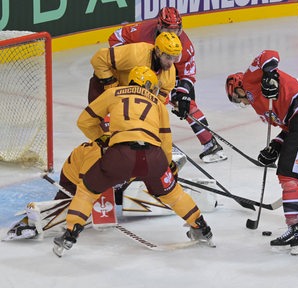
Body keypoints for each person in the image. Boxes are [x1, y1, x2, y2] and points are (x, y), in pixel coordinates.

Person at [53, 66, 214, 256]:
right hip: (154, 158)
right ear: (148, 85)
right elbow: (165, 139)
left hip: (120, 155)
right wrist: (168, 166)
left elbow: (84, 121)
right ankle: (202, 228)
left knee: (87, 191)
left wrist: (103, 139)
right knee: (173, 194)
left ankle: (71, 234)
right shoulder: (158, 103)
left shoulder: (114, 93)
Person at [225, 50, 298, 255]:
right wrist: (275, 145)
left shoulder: (250, 79)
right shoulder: (262, 109)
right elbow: (289, 128)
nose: (240, 102)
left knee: (288, 175)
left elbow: (269, 55)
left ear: (238, 86)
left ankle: (297, 228)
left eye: (236, 98)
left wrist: (269, 75)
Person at [4, 139, 187, 241]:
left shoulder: (129, 151)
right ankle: (30, 221)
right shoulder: (96, 154)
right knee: (73, 203)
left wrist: (168, 172)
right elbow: (89, 189)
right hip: (75, 179)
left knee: (133, 186)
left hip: (111, 175)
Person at [108, 7, 227, 163]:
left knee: (186, 104)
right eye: (167, 29)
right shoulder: (142, 31)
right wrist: (128, 60)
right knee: (144, 103)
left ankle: (210, 143)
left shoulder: (185, 45)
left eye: (176, 30)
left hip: (168, 69)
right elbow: (115, 38)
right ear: (159, 25)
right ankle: (149, 138)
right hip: (144, 68)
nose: (172, 34)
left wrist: (182, 93)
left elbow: (188, 73)